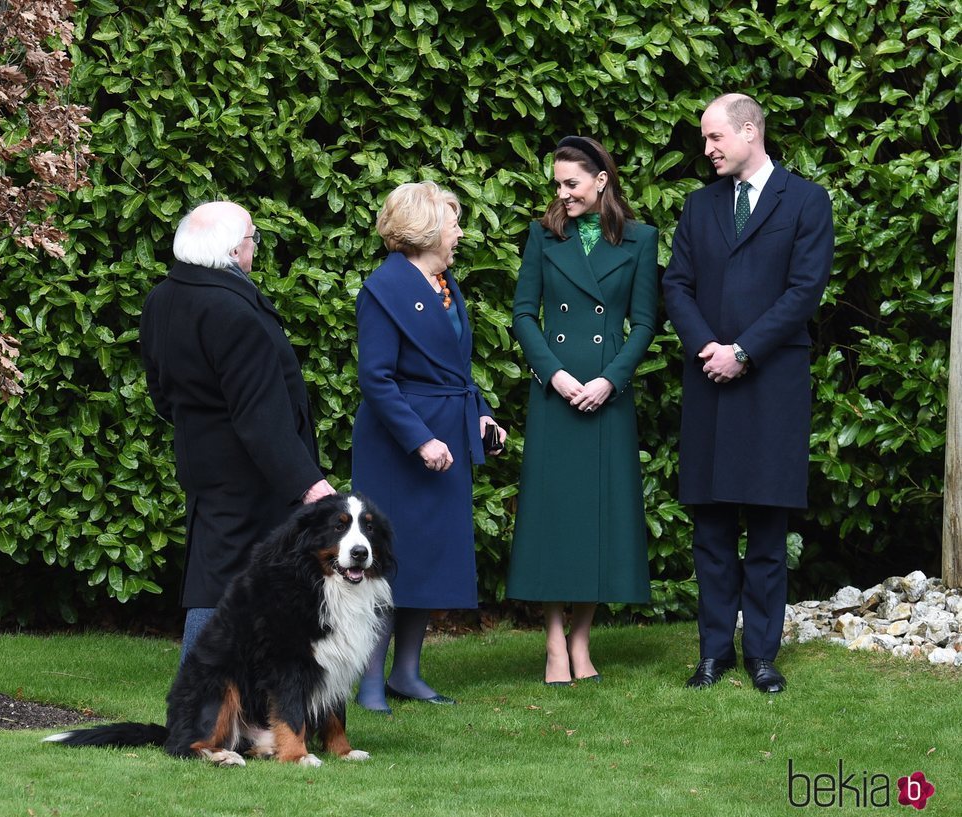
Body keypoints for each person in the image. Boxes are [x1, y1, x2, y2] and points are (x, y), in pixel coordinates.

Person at [662, 93, 833, 693]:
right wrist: (710, 346)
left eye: (714, 138)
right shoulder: (699, 205)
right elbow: (677, 283)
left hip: (770, 386)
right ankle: (714, 653)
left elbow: (804, 291)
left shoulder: (806, 201)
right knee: (709, 528)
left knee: (765, 527)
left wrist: (744, 351)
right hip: (708, 380)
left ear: (750, 131)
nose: (706, 149)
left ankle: (762, 654)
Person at [140, 201, 336, 660]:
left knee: (216, 574)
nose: (255, 248)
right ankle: (202, 712)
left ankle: (224, 710)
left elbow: (161, 392)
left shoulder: (162, 298)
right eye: (253, 239)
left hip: (204, 462)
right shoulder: (233, 311)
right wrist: (310, 485)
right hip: (251, 474)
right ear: (233, 250)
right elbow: (260, 417)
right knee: (230, 583)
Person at [507, 136, 659, 685]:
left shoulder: (642, 239)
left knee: (601, 516)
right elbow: (524, 314)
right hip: (557, 392)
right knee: (551, 515)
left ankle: (580, 640)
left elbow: (643, 323)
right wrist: (557, 374)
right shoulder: (542, 236)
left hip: (605, 395)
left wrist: (609, 380)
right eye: (557, 185)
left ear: (601, 181)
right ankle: (552, 643)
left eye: (571, 184)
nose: (562, 194)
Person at [351, 181, 507, 713]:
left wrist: (482, 414)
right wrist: (420, 440)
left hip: (447, 436)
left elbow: (454, 371)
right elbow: (375, 379)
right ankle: (370, 685)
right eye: (453, 220)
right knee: (385, 564)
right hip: (398, 446)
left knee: (427, 561)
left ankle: (407, 674)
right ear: (424, 228)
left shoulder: (445, 284)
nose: (460, 231)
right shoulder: (383, 288)